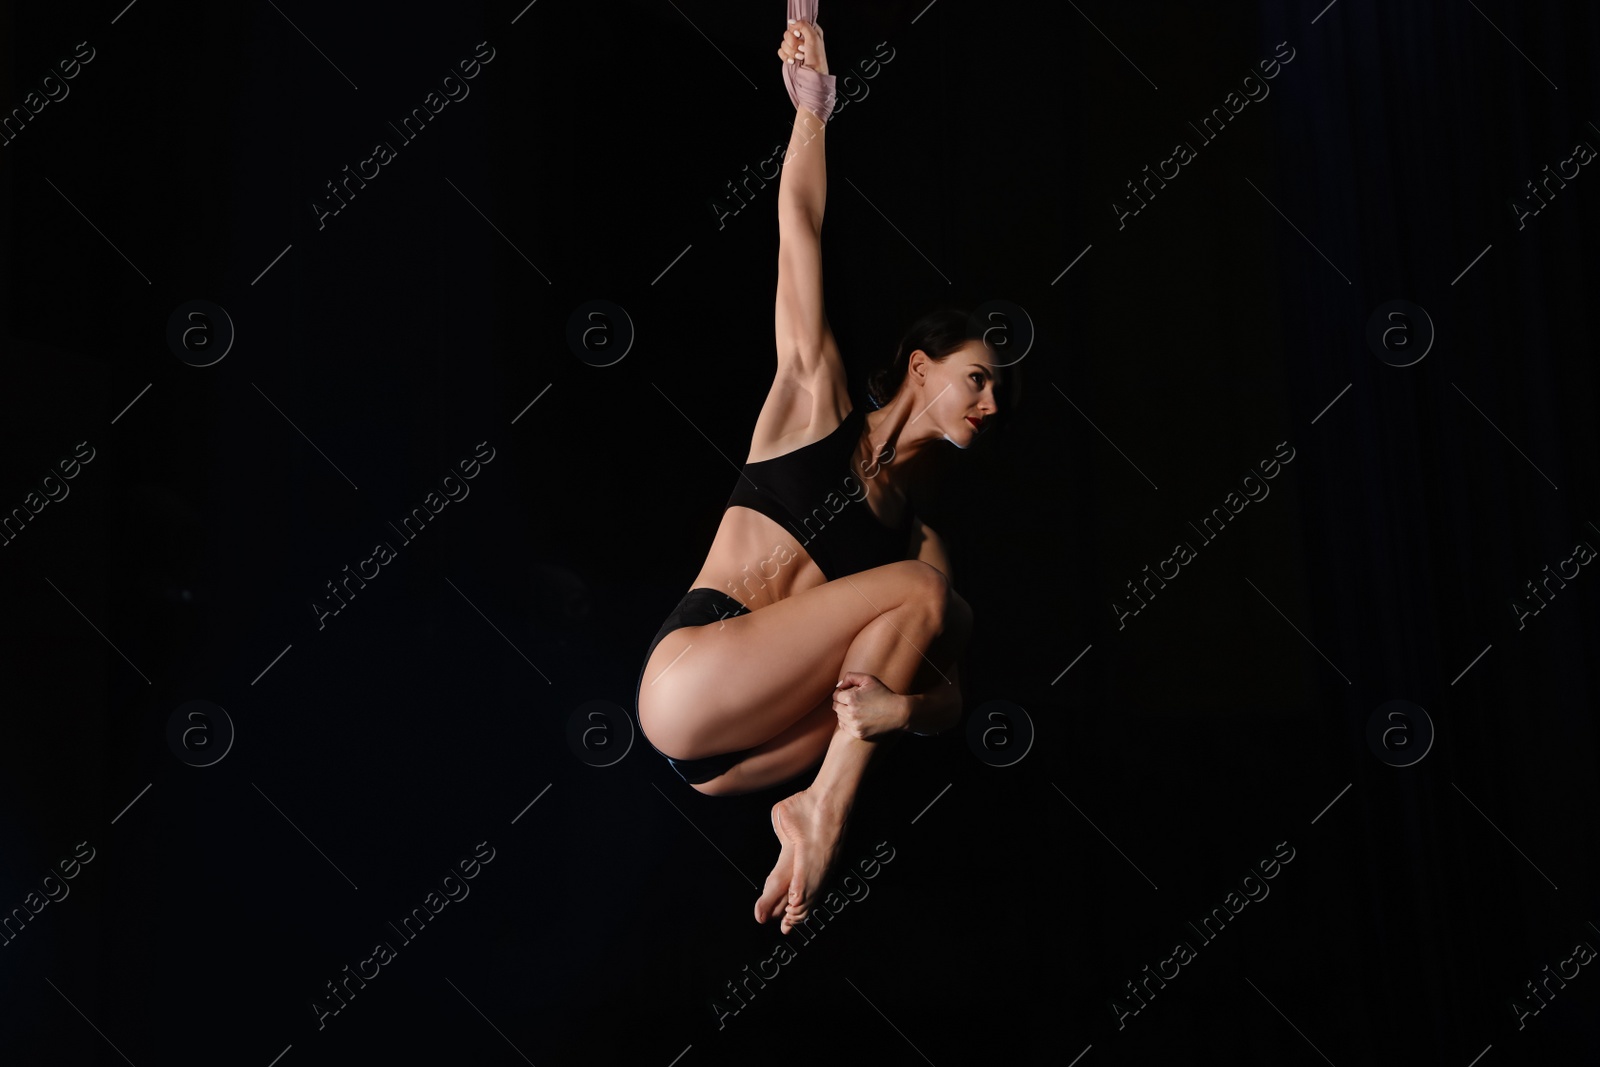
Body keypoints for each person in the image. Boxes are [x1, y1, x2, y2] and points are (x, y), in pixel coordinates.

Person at [635, 11, 1008, 936]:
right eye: (979, 379)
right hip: (692, 675)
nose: (990, 404)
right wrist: (813, 108)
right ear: (922, 366)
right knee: (928, 596)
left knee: (943, 610)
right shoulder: (812, 397)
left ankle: (815, 800)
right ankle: (823, 810)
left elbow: (949, 699)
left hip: (743, 757)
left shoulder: (917, 531)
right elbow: (798, 222)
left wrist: (897, 708)